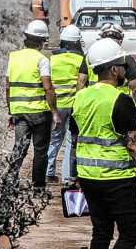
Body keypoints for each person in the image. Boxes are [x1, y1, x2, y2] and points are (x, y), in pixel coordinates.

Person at [71, 38, 136, 249]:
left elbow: (76, 141)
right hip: (117, 179)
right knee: (131, 233)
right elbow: (134, 146)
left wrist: (76, 174)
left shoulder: (80, 97)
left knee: (101, 233)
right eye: (123, 66)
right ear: (114, 69)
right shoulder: (120, 100)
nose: (126, 69)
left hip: (88, 176)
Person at [3, 20, 61, 192]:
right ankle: (38, 187)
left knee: (19, 147)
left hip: (19, 112)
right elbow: (48, 88)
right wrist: (55, 112)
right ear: (42, 41)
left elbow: (8, 86)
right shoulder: (42, 60)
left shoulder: (13, 57)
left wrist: (10, 111)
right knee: (40, 150)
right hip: (39, 113)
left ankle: (10, 182)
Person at [46, 25, 89, 185]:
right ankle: (67, 177)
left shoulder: (52, 59)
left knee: (55, 139)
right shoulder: (81, 60)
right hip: (74, 106)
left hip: (57, 106)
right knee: (71, 141)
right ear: (77, 42)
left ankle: (48, 172)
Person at [98, 23, 136, 113]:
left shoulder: (90, 57)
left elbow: (81, 81)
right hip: (119, 104)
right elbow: (135, 89)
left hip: (95, 102)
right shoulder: (126, 59)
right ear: (120, 40)